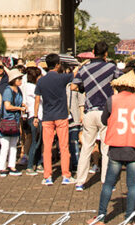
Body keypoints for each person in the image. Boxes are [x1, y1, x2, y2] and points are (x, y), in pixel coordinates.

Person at [87, 70, 135, 225]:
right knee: (132, 184)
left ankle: (102, 217)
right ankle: (130, 219)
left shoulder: (112, 100)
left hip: (117, 145)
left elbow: (104, 120)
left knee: (109, 183)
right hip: (134, 146)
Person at [74, 41, 117, 191]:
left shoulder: (84, 68)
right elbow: (121, 80)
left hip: (89, 111)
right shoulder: (111, 67)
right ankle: (106, 182)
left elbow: (75, 85)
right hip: (106, 111)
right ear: (106, 54)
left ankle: (80, 182)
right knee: (106, 149)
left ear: (93, 51)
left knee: (86, 147)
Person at [34, 53, 79, 185]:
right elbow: (75, 74)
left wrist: (36, 116)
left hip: (47, 117)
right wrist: (81, 64)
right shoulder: (62, 78)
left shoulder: (41, 80)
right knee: (64, 146)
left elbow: (37, 99)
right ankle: (66, 175)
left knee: (47, 147)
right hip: (61, 116)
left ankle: (47, 176)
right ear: (58, 64)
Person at [0, 69, 26, 177]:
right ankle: (2, 167)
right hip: (7, 120)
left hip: (15, 120)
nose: (20, 80)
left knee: (13, 144)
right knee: (5, 145)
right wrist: (19, 108)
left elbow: (19, 101)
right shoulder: (8, 90)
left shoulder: (18, 90)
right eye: (19, 79)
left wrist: (22, 105)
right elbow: (7, 106)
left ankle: (12, 165)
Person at [22, 66, 44, 174]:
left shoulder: (26, 86)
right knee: (35, 141)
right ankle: (30, 165)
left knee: (39, 141)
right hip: (36, 115)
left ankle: (39, 163)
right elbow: (40, 98)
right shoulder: (31, 87)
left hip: (36, 115)